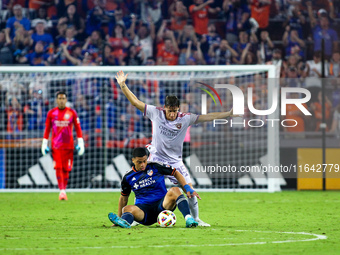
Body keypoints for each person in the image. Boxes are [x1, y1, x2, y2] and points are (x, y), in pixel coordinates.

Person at [115, 71, 237, 226]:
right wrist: (123, 85)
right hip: (156, 157)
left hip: (175, 161)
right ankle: (138, 216)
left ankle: (196, 219)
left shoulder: (185, 118)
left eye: (174, 111)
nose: (172, 114)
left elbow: (208, 117)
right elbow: (135, 102)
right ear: (164, 108)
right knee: (143, 182)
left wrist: (228, 113)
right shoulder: (155, 113)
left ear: (178, 109)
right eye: (169, 111)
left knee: (189, 189)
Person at [108, 147, 200, 228]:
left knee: (175, 190)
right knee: (127, 209)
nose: (142, 164)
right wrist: (120, 216)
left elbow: (175, 172)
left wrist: (187, 188)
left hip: (163, 205)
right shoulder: (128, 177)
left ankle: (189, 219)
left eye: (144, 161)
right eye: (139, 162)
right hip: (143, 211)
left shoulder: (155, 166)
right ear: (133, 160)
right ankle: (123, 222)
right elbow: (123, 198)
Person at [41, 91, 85, 200]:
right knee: (58, 168)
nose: (61, 100)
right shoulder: (51, 113)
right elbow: (47, 129)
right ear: (56, 100)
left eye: (63, 98)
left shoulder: (72, 113)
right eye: (59, 98)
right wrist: (44, 143)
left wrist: (80, 143)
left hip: (69, 146)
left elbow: (78, 128)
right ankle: (62, 191)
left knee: (66, 168)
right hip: (56, 146)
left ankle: (63, 189)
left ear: (66, 100)